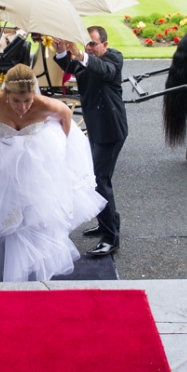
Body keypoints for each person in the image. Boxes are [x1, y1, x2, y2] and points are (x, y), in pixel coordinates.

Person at [0, 64, 106, 282]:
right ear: (6, 94)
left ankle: (30, 273)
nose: (22, 107)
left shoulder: (45, 105)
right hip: (0, 167)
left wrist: (58, 147)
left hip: (33, 168)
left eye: (27, 100)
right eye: (16, 101)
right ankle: (2, 272)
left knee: (32, 220)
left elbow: (66, 117)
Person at [53, 26, 128, 257]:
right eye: (86, 43)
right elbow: (71, 67)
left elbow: (105, 71)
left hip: (111, 129)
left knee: (98, 181)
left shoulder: (113, 58)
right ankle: (110, 222)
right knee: (100, 179)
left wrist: (80, 53)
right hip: (96, 128)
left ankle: (110, 238)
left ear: (104, 44)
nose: (88, 47)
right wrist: (62, 52)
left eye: (93, 44)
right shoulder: (87, 60)